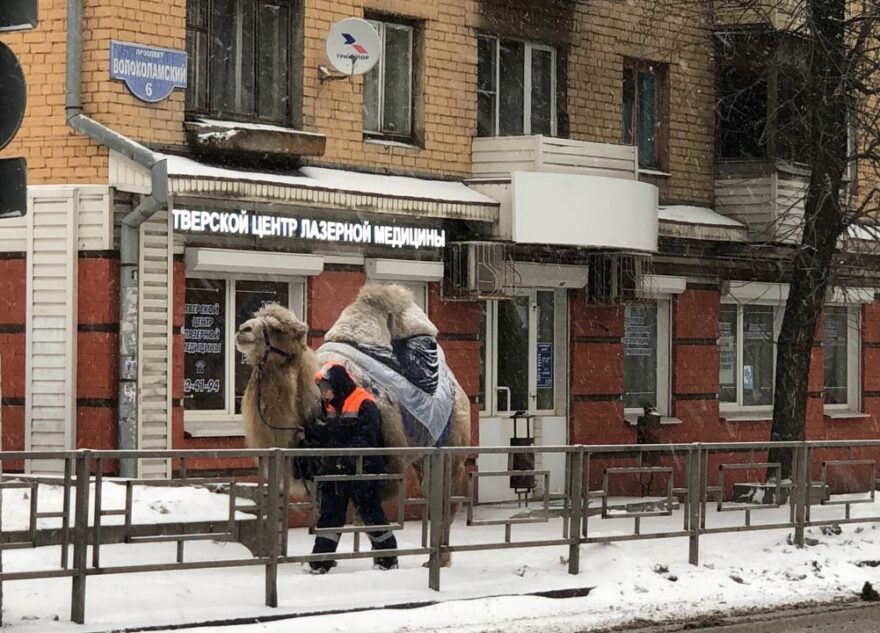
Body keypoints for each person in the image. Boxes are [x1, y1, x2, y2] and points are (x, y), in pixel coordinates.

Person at [306, 362, 399, 574]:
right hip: (336, 471)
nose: (324, 394)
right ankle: (321, 561)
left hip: (362, 471)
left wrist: (345, 455)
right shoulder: (329, 406)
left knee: (371, 514)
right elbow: (325, 436)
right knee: (330, 516)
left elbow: (366, 438)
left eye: (325, 388)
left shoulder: (364, 402)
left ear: (337, 385)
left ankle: (387, 558)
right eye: (321, 390)